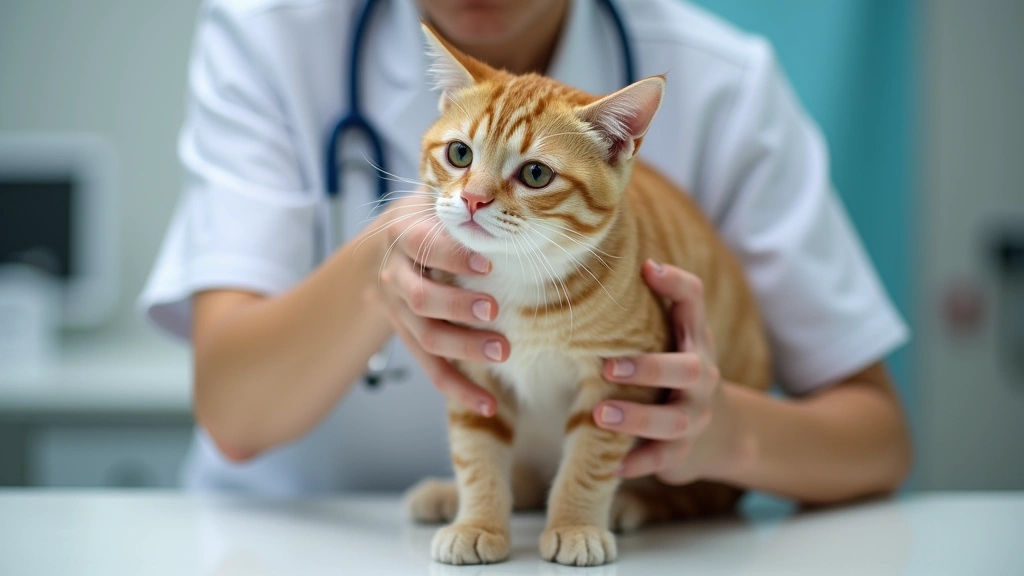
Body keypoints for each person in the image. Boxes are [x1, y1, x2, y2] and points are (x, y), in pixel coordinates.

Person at [141, 0, 912, 500]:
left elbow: (877, 441)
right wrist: (380, 275)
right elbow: (231, 417)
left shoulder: (722, 82)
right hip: (285, 539)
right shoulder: (268, 34)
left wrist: (721, 434)